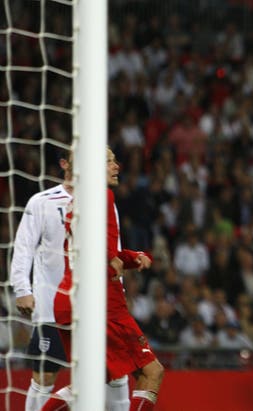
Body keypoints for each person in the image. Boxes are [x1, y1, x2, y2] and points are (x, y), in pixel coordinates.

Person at [41, 147, 164, 411]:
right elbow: (94, 243)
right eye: (109, 162)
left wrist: (131, 257)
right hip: (101, 301)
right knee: (152, 372)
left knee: (89, 383)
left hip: (68, 300)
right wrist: (111, 257)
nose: (117, 166)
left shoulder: (83, 199)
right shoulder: (102, 195)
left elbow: (95, 245)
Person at [9, 150, 75, 411]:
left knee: (109, 375)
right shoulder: (42, 201)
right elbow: (23, 246)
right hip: (51, 305)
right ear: (64, 164)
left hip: (92, 305)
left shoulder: (102, 202)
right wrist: (22, 289)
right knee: (45, 376)